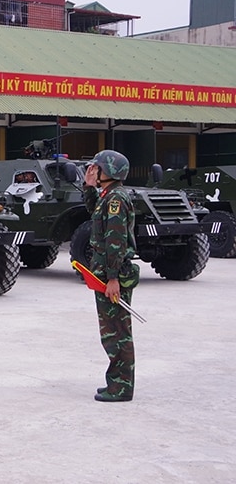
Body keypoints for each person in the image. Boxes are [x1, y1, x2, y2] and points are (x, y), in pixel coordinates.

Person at [83, 150, 139, 402]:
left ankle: (122, 386)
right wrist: (88, 187)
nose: (94, 170)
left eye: (97, 168)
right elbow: (95, 215)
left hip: (112, 275)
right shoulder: (107, 196)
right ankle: (116, 381)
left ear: (110, 171)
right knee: (111, 332)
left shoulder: (115, 199)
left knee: (117, 332)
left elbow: (115, 241)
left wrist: (113, 279)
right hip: (105, 273)